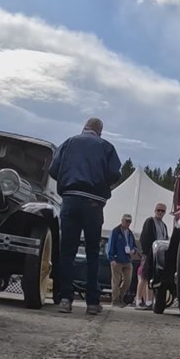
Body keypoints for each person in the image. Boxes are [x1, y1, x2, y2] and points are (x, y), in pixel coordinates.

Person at [49, 118, 123, 315]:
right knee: (92, 253)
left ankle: (65, 299)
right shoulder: (107, 147)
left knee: (67, 252)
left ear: (84, 128)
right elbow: (115, 173)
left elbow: (53, 169)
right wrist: (100, 185)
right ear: (100, 131)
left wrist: (69, 180)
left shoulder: (68, 143)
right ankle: (92, 302)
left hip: (70, 200)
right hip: (93, 203)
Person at [137, 202, 169, 310]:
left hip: (158, 256)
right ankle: (138, 300)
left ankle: (149, 302)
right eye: (158, 210)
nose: (160, 212)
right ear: (155, 211)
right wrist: (146, 253)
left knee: (152, 278)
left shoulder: (164, 226)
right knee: (144, 277)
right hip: (148, 254)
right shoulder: (150, 221)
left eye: (162, 211)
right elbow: (144, 237)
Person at [106, 213, 137, 308]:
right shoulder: (116, 231)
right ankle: (115, 300)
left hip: (127, 260)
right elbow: (110, 245)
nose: (128, 223)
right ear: (122, 220)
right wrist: (111, 258)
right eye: (126, 221)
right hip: (117, 259)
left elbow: (134, 246)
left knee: (127, 281)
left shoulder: (130, 233)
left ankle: (120, 297)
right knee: (116, 281)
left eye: (129, 221)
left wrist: (133, 251)